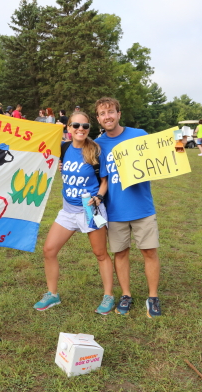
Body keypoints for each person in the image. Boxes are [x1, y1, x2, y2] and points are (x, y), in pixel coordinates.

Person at [33, 111, 114, 314]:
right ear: (68, 128)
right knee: (49, 250)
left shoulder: (95, 150)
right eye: (76, 125)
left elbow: (104, 181)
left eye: (85, 126)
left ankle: (108, 296)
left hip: (91, 210)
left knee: (101, 254)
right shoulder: (63, 148)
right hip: (68, 211)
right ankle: (52, 294)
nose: (81, 129)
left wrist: (99, 197)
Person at [94, 97, 161, 318]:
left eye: (111, 112)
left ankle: (153, 297)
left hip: (142, 207)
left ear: (119, 114)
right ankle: (126, 294)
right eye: (102, 114)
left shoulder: (139, 135)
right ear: (98, 119)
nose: (107, 117)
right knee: (120, 253)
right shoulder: (98, 145)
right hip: (115, 210)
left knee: (149, 251)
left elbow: (159, 159)